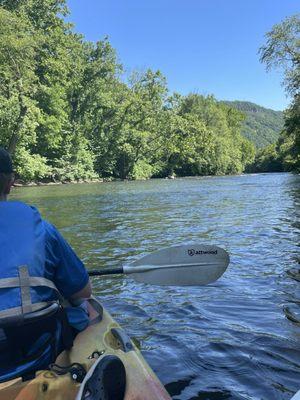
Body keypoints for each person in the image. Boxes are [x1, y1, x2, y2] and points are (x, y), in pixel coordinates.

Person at [0, 147, 92, 382]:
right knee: (82, 307)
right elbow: (83, 292)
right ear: (11, 183)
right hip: (35, 353)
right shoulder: (41, 227)